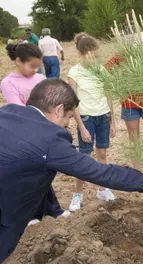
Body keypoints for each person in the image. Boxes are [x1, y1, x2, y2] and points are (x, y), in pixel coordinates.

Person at [0, 78, 143, 263]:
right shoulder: (50, 139)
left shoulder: (7, 112)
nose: (67, 125)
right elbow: (101, 173)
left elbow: (30, 169)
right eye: (69, 117)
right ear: (58, 110)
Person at [0, 43, 69, 225]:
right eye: (31, 65)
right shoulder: (8, 82)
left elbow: (51, 102)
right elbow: (18, 110)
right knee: (28, 175)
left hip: (44, 133)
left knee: (45, 172)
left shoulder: (40, 78)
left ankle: (53, 210)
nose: (35, 70)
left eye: (38, 66)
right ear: (17, 61)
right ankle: (30, 215)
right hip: (23, 135)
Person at [68, 35, 117, 212]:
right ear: (82, 54)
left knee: (102, 153)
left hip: (103, 116)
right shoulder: (74, 73)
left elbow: (109, 95)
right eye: (92, 56)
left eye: (97, 56)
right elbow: (73, 103)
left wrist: (112, 121)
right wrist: (81, 127)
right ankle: (78, 194)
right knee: (84, 156)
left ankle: (102, 189)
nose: (95, 60)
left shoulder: (101, 71)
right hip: (87, 118)